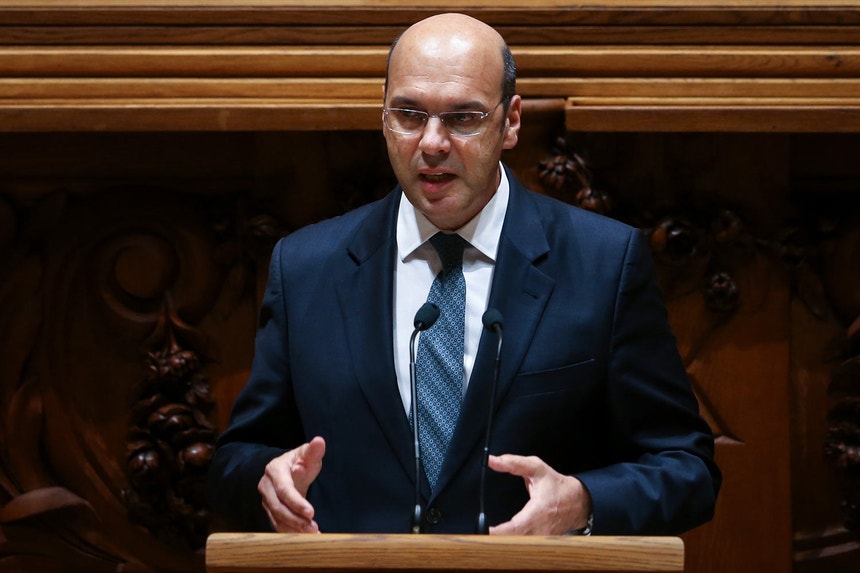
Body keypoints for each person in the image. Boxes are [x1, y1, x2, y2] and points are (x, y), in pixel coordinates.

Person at [206, 12, 721, 536]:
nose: (432, 143)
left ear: (510, 121)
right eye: (409, 114)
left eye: (463, 118)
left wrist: (583, 502)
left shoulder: (605, 263)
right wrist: (266, 480)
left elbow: (687, 468)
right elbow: (237, 459)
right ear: (383, 116)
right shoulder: (305, 267)